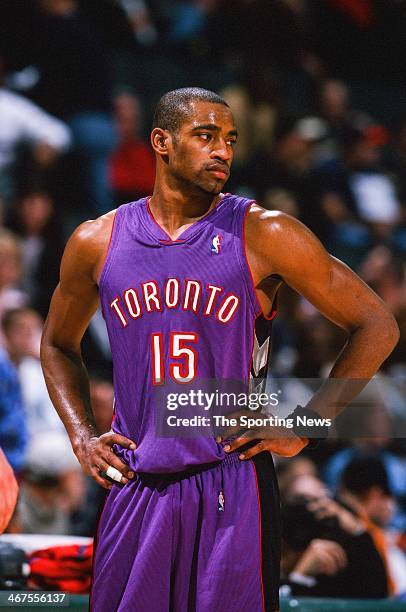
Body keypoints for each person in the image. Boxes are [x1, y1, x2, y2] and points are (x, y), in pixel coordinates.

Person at [41, 88, 399, 612]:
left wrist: (307, 424)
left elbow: (377, 324)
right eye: (205, 136)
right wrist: (80, 435)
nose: (223, 151)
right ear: (161, 142)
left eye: (229, 139)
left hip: (230, 480)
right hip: (135, 483)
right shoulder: (97, 240)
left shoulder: (266, 232)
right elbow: (55, 343)